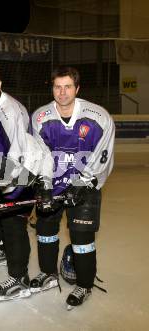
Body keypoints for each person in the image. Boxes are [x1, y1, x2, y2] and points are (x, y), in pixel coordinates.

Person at [30, 66, 115, 310]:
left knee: (81, 237)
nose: (62, 92)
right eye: (58, 87)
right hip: (54, 184)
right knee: (45, 230)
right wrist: (44, 186)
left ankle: (85, 284)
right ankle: (48, 273)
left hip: (84, 186)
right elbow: (40, 154)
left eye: (68, 87)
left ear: (77, 88)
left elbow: (103, 156)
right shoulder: (40, 117)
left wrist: (81, 183)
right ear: (52, 88)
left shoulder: (98, 116)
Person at [0, 63, 54, 301]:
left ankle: (19, 279)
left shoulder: (12, 112)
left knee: (12, 220)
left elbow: (17, 157)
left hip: (27, 168)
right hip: (1, 166)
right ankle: (5, 251)